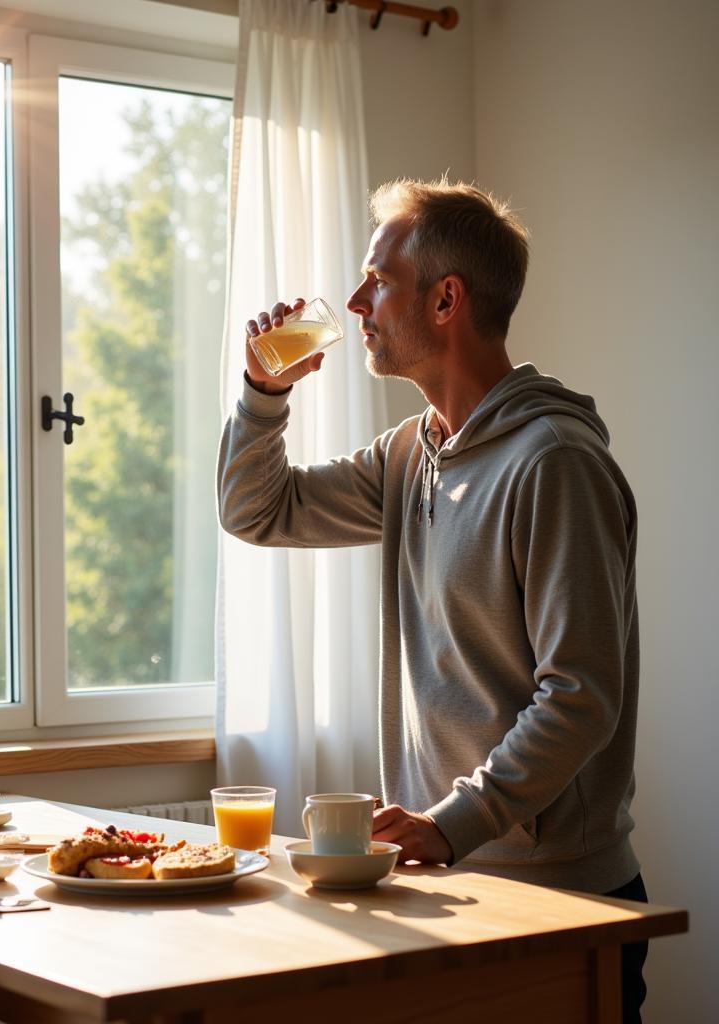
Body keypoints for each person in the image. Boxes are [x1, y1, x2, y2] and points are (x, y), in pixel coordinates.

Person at [217, 178, 647, 1021]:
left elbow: (581, 696)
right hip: (442, 883)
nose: (352, 301)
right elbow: (257, 511)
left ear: (446, 299)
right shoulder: (411, 453)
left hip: (559, 900)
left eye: (378, 279)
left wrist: (454, 821)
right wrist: (263, 396)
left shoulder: (554, 463)